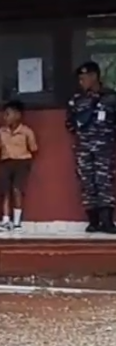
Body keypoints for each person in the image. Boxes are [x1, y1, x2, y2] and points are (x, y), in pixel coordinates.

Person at [67, 61, 116, 233]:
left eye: (84, 78)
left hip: (104, 148)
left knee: (104, 182)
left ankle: (107, 221)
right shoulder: (77, 100)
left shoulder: (111, 98)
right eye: (80, 79)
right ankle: (93, 221)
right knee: (88, 183)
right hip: (84, 148)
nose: (82, 82)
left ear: (94, 77)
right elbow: (70, 124)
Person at [0, 99, 38, 231]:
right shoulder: (1, 132)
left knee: (17, 190)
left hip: (21, 162)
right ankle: (6, 220)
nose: (5, 117)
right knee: (5, 191)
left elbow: (33, 148)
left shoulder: (26, 132)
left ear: (18, 115)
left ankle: (17, 221)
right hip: (6, 162)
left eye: (8, 114)